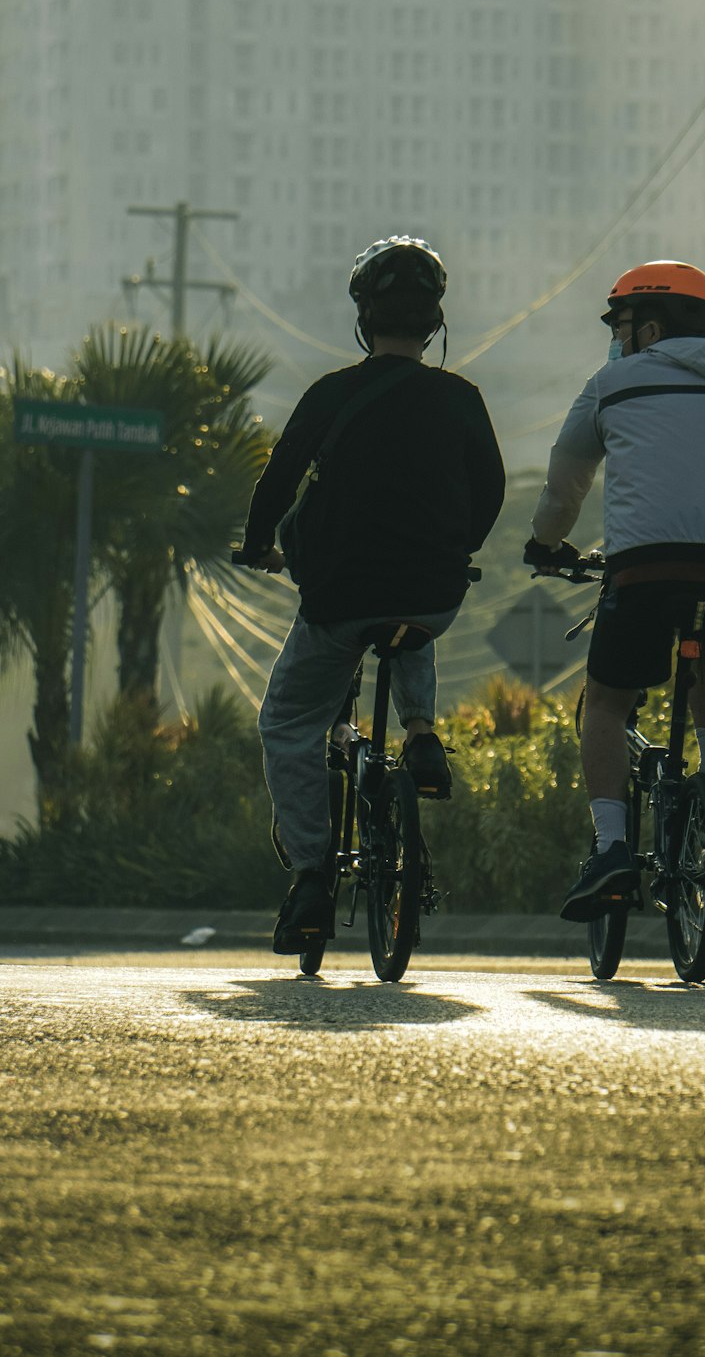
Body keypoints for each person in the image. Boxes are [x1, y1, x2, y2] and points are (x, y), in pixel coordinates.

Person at [239, 235, 505, 953]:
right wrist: (456, 549)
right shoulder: (463, 398)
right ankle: (421, 733)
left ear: (364, 321)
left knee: (289, 725)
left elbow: (279, 479)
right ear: (434, 325)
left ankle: (310, 882)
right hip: (432, 590)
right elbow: (491, 491)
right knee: (412, 619)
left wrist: (259, 542)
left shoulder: (332, 394)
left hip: (342, 597)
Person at [524, 260, 705, 921]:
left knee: (608, 701)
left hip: (645, 568)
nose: (617, 338)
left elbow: (566, 488)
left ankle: (613, 851)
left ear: (649, 326)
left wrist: (545, 544)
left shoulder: (612, 382)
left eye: (621, 324)